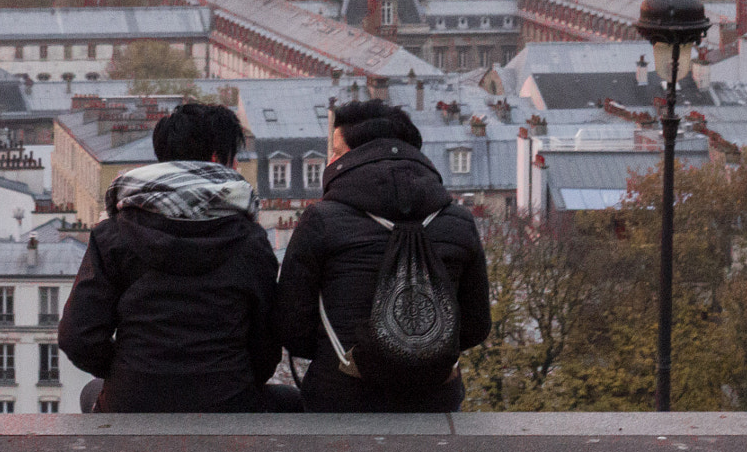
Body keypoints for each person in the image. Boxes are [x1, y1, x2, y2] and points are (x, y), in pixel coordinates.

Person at [58, 101, 284, 413]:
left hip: (133, 399)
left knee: (91, 393)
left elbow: (77, 337)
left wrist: (127, 371)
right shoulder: (251, 241)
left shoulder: (113, 235)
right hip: (226, 400)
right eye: (235, 161)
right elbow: (266, 345)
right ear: (218, 160)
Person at [275, 100, 491, 413]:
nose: (330, 161)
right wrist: (419, 355)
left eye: (335, 151)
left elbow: (291, 327)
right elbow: (475, 326)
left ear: (353, 156)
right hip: (432, 404)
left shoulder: (320, 221)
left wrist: (352, 358)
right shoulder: (458, 221)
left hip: (341, 400)